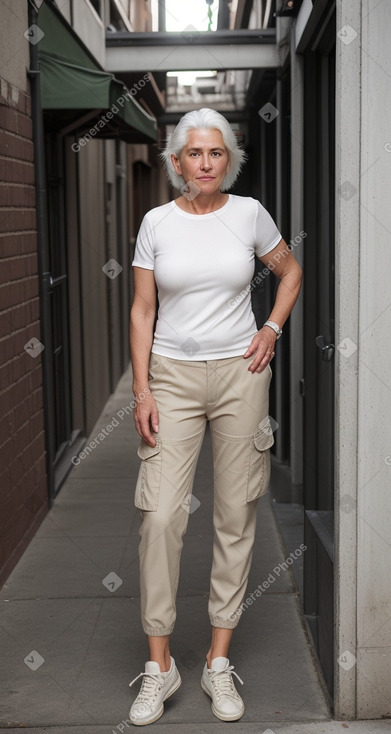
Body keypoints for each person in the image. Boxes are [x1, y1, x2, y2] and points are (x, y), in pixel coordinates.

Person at [128, 107, 302, 726]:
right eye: (194, 154)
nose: (205, 163)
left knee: (235, 514)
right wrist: (143, 392)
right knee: (161, 516)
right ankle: (160, 667)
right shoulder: (155, 223)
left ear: (229, 159)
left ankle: (217, 660)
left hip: (240, 376)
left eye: (217, 153)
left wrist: (272, 329)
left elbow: (290, 270)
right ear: (176, 163)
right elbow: (143, 310)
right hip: (171, 379)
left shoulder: (250, 215)